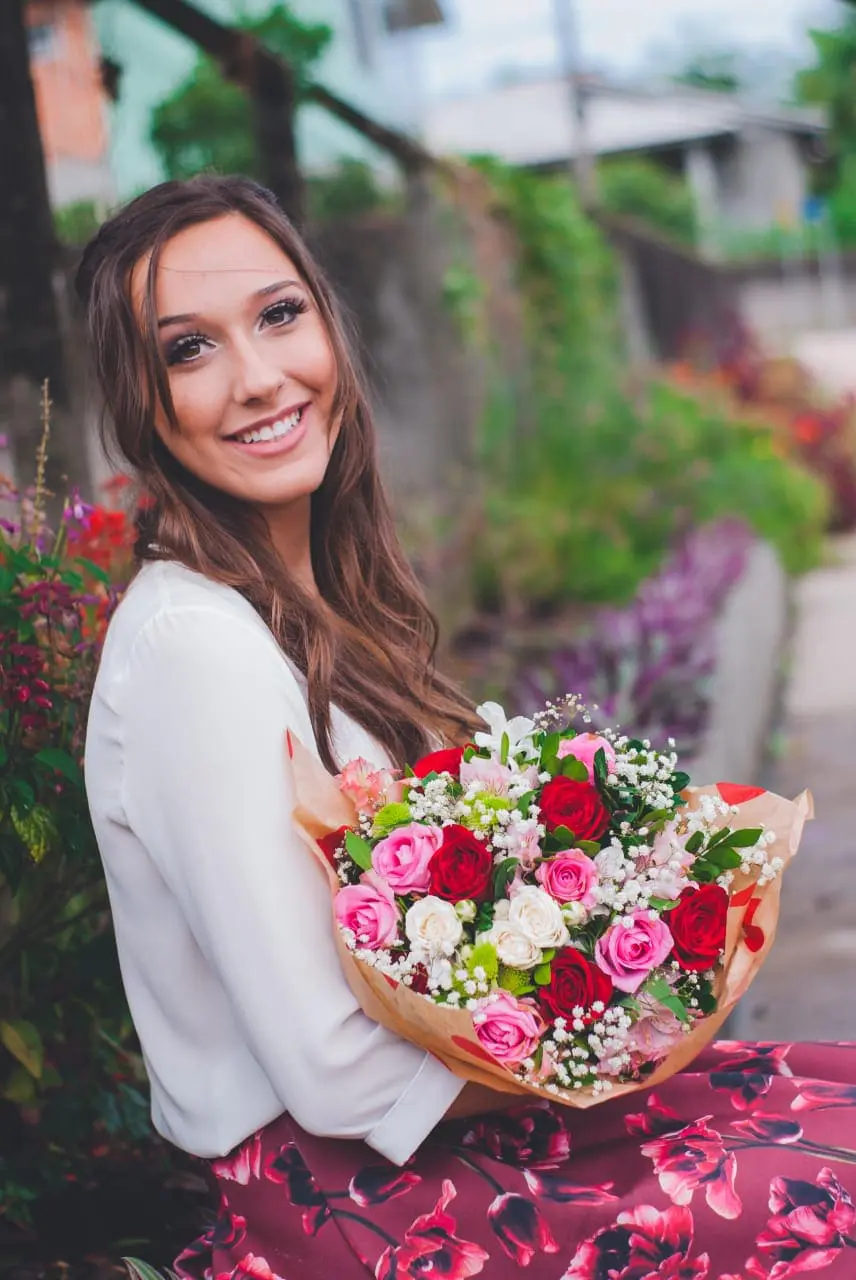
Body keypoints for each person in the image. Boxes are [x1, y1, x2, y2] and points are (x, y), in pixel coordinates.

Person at [81, 176, 856, 1280]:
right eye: (188, 349)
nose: (258, 377)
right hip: (354, 1204)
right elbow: (338, 1072)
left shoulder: (305, 601)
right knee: (826, 1183)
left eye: (279, 314)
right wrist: (617, 1036)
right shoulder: (190, 649)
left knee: (829, 1094)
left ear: (329, 323)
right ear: (138, 400)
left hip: (449, 1145)